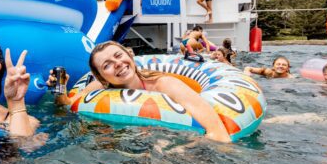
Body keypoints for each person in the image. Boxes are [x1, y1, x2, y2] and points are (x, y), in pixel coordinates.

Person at [50, 41, 231, 142]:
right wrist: (60, 90)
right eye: (107, 65)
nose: (117, 64)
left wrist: (185, 147)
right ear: (102, 77)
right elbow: (67, 105)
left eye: (119, 56)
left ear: (130, 56)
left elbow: (217, 132)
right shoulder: (99, 87)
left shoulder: (165, 85)